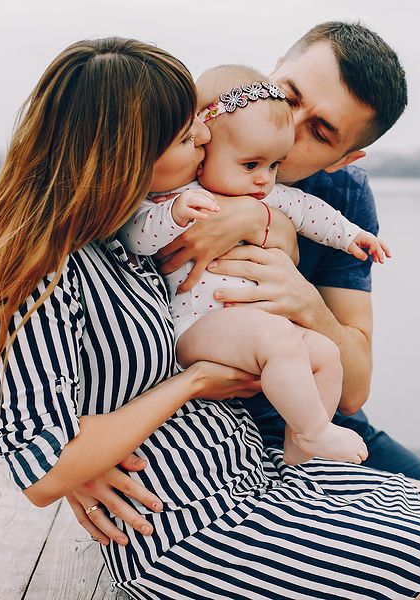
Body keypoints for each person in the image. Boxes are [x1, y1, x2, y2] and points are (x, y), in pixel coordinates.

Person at [0, 37, 420, 599]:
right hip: (191, 522)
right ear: (131, 151)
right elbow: (43, 451)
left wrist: (267, 233)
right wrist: (191, 386)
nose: (206, 140)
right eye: (189, 136)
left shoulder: (122, 240)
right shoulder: (69, 261)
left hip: (252, 468)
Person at [157, 21, 420, 509]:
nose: (288, 130)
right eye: (288, 96)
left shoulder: (342, 197)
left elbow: (354, 390)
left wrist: (305, 297)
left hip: (320, 418)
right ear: (270, 73)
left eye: (319, 131)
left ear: (343, 157)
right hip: (214, 428)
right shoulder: (180, 150)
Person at [117, 63, 390, 466]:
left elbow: (310, 212)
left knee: (323, 355)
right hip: (196, 329)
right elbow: (135, 236)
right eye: (291, 97)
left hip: (250, 336)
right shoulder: (175, 188)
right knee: (279, 341)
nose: (265, 178)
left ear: (345, 157)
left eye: (273, 166)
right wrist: (173, 214)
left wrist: (351, 237)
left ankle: (303, 451)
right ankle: (315, 432)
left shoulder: (262, 190)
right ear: (203, 144)